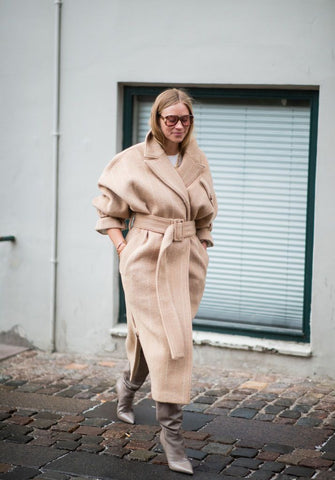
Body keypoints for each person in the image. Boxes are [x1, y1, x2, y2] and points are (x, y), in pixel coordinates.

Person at [93, 88, 217, 475]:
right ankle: (173, 438)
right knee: (173, 344)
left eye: (186, 119)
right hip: (146, 257)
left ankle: (126, 389)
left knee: (155, 342)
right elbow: (109, 212)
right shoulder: (133, 159)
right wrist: (122, 249)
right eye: (171, 119)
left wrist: (202, 245)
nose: (179, 125)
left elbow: (207, 214)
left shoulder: (197, 160)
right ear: (158, 120)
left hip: (185, 259)